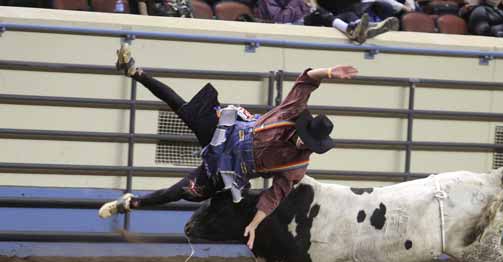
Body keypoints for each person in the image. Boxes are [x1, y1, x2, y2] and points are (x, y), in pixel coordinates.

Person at [98, 44, 358, 248]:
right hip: (226, 133)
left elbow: (273, 196)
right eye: (305, 137)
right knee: (183, 108)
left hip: (231, 170)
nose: (303, 142)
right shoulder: (291, 113)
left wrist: (255, 224)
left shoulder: (296, 167)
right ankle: (135, 71)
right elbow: (306, 81)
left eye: (309, 143)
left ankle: (131, 203)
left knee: (179, 191)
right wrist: (329, 72)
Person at [304, 1, 401, 43]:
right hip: (308, 21)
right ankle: (353, 30)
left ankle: (363, 29)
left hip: (326, 19)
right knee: (320, 13)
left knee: (348, 14)